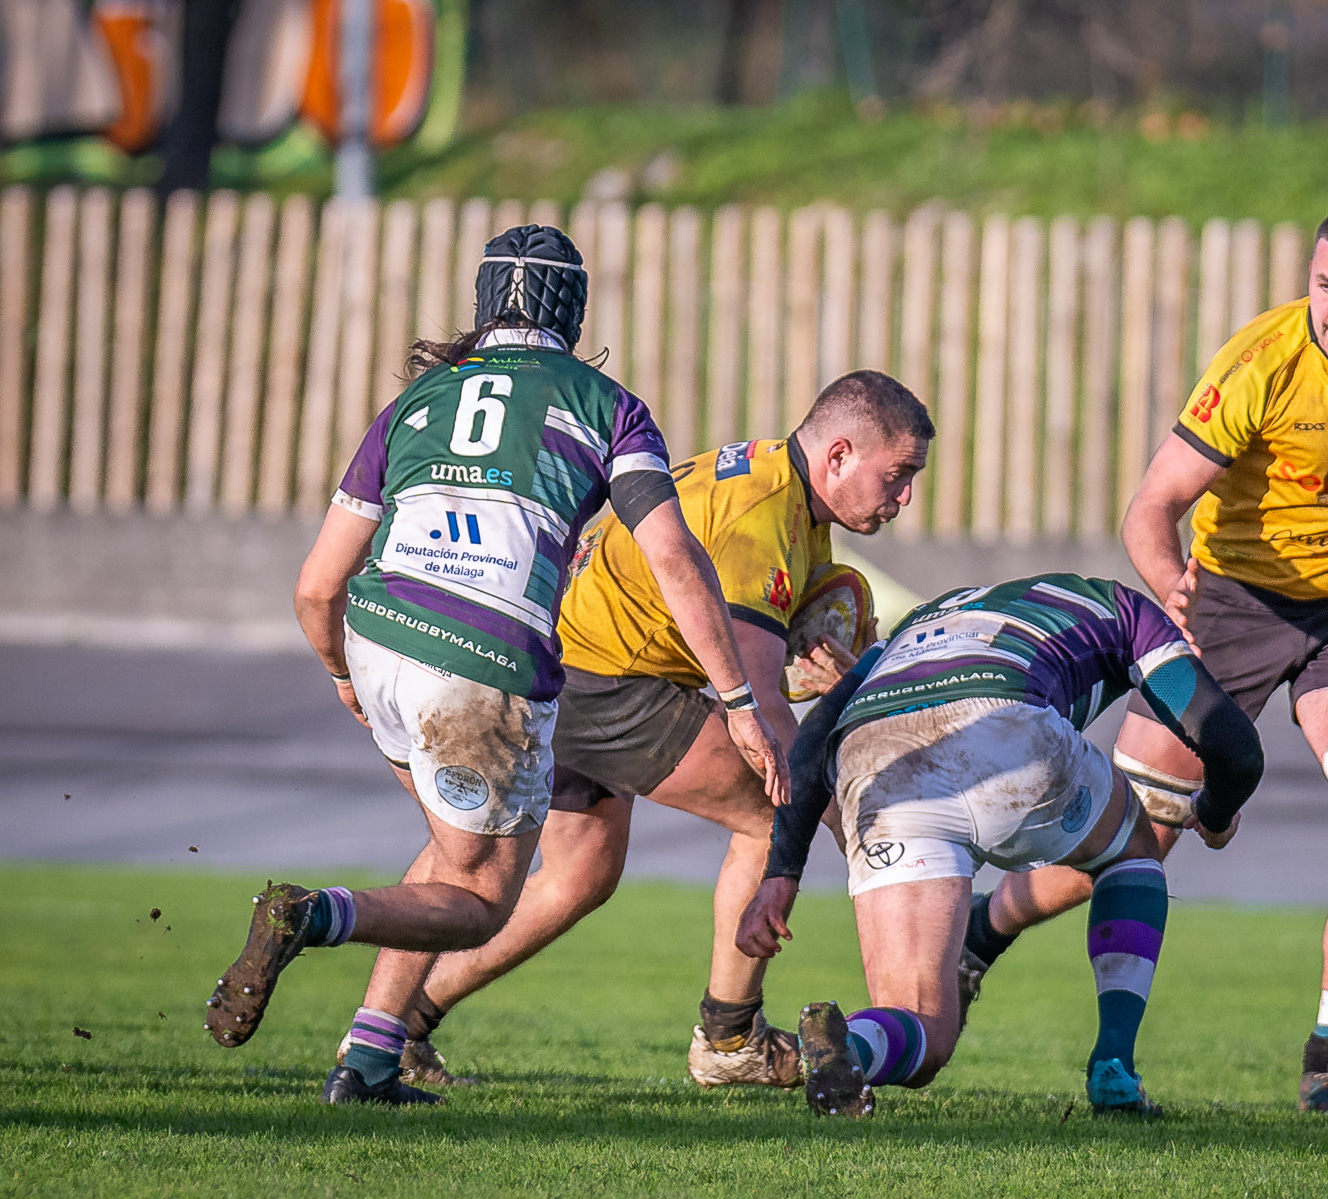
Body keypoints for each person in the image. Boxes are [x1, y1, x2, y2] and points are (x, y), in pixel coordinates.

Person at [959, 200, 1328, 1114]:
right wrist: (1169, 594)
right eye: (1325, 285)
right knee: (1129, 840)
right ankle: (982, 930)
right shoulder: (1262, 364)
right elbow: (1151, 508)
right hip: (1230, 605)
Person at [204, 225, 786, 1106]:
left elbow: (317, 585)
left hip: (375, 638)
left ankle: (366, 1062)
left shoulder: (420, 401)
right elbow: (674, 559)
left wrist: (341, 675)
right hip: (482, 661)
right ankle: (314, 913)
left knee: (451, 852)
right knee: (482, 899)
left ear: (483, 302)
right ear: (576, 310)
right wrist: (740, 696)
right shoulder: (605, 404)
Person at [364, 371, 933, 1092]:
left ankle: (403, 1020)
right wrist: (870, 842)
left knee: (579, 875)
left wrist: (804, 658)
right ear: (841, 455)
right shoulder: (765, 515)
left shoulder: (774, 482)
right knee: (772, 806)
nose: (905, 496)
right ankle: (730, 1039)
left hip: (560, 656)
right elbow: (762, 707)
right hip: (604, 677)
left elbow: (749, 641)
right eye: (899, 474)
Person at [736, 574, 1265, 1118]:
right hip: (1001, 727)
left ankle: (850, 1048)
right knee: (1131, 847)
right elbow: (1234, 746)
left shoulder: (920, 619)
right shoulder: (1128, 609)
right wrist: (1213, 811)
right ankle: (1114, 1070)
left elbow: (816, 737)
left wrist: (781, 874)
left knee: (923, 1028)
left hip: (876, 759)